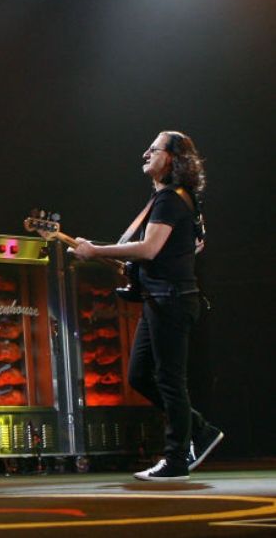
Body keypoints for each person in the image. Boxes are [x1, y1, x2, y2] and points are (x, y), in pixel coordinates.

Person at [74, 130, 223, 482]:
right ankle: (199, 431)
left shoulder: (172, 199)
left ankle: (175, 459)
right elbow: (175, 250)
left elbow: (149, 249)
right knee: (139, 374)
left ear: (171, 158)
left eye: (153, 149)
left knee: (170, 380)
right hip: (162, 299)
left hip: (170, 299)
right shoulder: (175, 200)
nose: (145, 153)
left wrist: (96, 251)